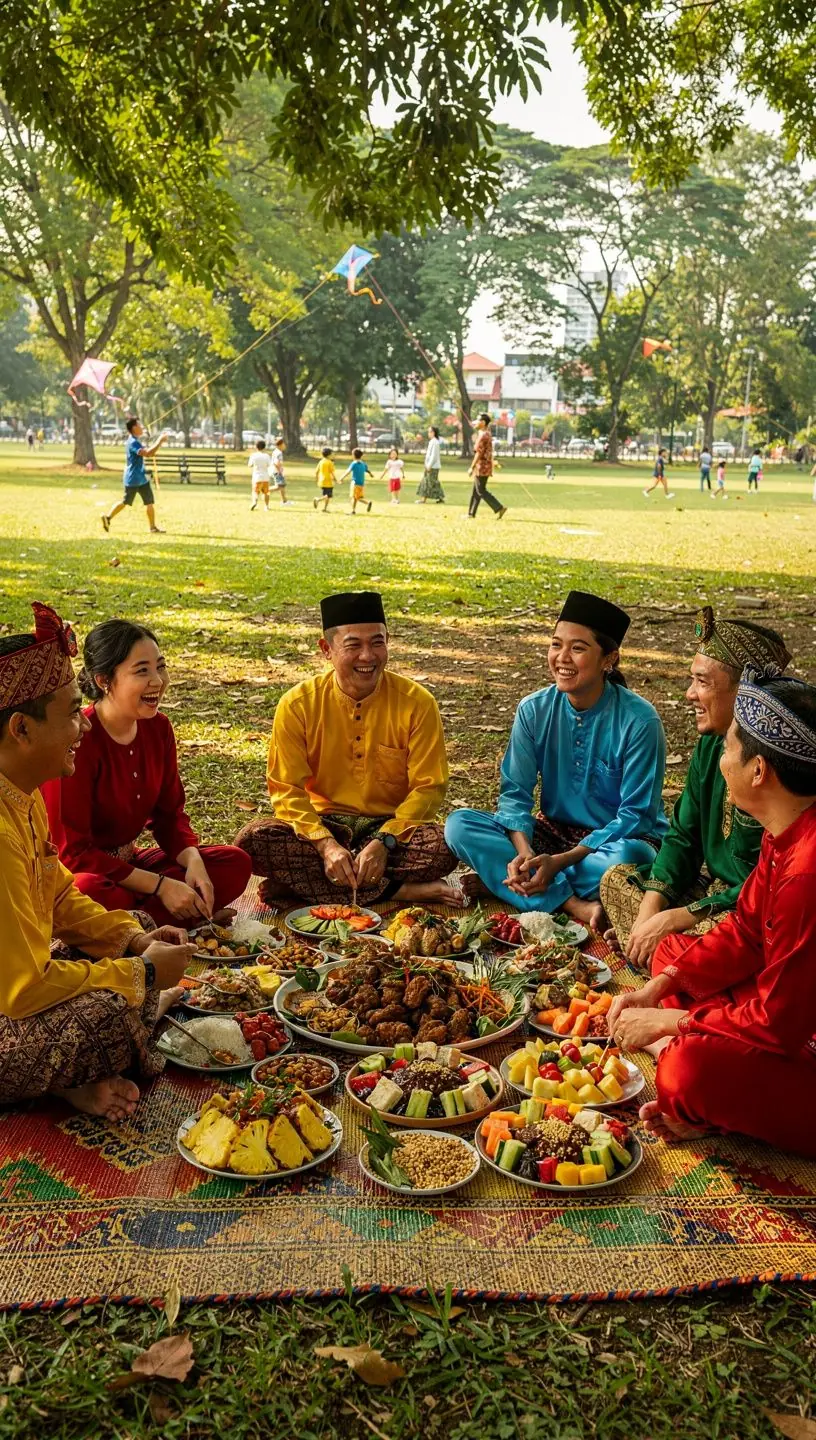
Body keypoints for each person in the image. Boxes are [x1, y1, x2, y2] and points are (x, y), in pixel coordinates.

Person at [609, 674, 816, 1159]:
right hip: (787, 1004)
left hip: (801, 1038)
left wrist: (671, 1025)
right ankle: (709, 1080)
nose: (720, 762)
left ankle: (703, 1090)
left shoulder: (806, 872)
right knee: (671, 957)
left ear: (759, 770)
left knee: (686, 1071)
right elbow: (745, 932)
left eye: (728, 748)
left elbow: (777, 1024)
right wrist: (658, 987)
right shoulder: (784, 829)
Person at [0, 602, 194, 1120]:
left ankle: (75, 1070)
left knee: (141, 925)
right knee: (107, 1017)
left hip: (19, 982)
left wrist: (131, 942)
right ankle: (66, 1080)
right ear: (21, 729)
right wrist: (140, 976)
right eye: (70, 714)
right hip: (9, 1001)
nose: (82, 728)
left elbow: (60, 893)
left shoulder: (22, 792)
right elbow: (21, 992)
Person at [445, 591, 668, 928]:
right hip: (550, 836)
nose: (562, 657)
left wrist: (561, 862)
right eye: (555, 645)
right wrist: (525, 853)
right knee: (460, 825)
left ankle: (511, 885)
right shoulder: (533, 710)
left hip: (612, 844)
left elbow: (635, 817)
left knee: (631, 859)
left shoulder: (640, 721)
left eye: (578, 648)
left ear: (609, 659)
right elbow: (515, 795)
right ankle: (575, 905)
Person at [235, 591, 460, 907]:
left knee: (444, 848)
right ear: (326, 649)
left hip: (389, 830)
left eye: (377, 642)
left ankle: (304, 889)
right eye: (354, 645)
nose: (368, 656)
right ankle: (397, 891)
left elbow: (429, 788)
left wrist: (384, 841)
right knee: (253, 842)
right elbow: (286, 791)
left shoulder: (417, 703)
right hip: (322, 825)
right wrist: (325, 844)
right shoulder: (298, 705)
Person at [600, 607, 791, 960]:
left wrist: (680, 917)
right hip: (712, 895)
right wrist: (650, 913)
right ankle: (654, 951)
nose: (689, 694)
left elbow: (775, 884)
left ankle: (664, 959)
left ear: (746, 692)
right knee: (616, 880)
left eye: (703, 682)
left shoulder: (780, 765)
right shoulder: (710, 743)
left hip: (755, 912)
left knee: (703, 943)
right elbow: (683, 837)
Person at [42, 619, 252, 927]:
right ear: (104, 680)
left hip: (131, 865)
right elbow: (72, 855)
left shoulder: (159, 728)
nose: (158, 680)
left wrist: (194, 863)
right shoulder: (78, 740)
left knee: (233, 864)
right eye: (142, 671)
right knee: (88, 891)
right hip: (89, 876)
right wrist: (161, 886)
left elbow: (170, 816)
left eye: (161, 667)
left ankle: (147, 921)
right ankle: (171, 919)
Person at [101, 418, 166, 535]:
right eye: (139, 425)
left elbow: (147, 451)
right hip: (134, 479)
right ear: (134, 428)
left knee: (149, 502)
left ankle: (153, 527)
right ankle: (108, 517)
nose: (142, 427)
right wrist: (160, 441)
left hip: (140, 478)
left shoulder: (134, 440)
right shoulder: (133, 442)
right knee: (125, 502)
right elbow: (148, 454)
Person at [467, 413, 507, 520]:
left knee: (480, 491)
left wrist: (472, 467)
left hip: (482, 467)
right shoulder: (485, 434)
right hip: (484, 466)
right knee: (476, 490)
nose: (476, 422)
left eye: (478, 420)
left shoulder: (483, 435)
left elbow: (478, 453)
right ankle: (471, 513)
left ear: (483, 423)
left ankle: (499, 507)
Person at [416, 426, 445, 503]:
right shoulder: (432, 441)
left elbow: (434, 456)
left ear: (433, 433)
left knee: (429, 482)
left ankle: (423, 499)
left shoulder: (435, 442)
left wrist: (429, 466)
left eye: (430, 432)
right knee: (432, 482)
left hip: (433, 467)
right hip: (430, 466)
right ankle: (440, 498)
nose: (428, 433)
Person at [340, 448, 373, 514]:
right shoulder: (363, 464)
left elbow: (348, 471)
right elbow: (367, 470)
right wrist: (371, 474)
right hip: (361, 483)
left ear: (354, 455)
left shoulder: (354, 463)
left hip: (355, 483)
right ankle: (353, 511)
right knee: (355, 498)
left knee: (355, 497)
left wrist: (341, 478)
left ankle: (367, 503)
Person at [248, 439, 272, 511]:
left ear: (256, 447)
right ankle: (266, 506)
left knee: (255, 491)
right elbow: (269, 465)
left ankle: (254, 502)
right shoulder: (266, 456)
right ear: (264, 447)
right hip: (265, 477)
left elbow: (250, 465)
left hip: (257, 476)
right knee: (266, 492)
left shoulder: (253, 455)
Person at [270, 436, 294, 507]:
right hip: (277, 471)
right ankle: (265, 491)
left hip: (276, 471)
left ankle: (284, 501)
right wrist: (280, 471)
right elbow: (276, 462)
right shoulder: (279, 453)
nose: (285, 446)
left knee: (282, 486)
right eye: (284, 444)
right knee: (279, 486)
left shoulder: (276, 451)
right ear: (281, 444)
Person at [313, 446, 336, 512]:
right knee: (328, 496)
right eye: (332, 454)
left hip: (322, 481)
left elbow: (316, 472)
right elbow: (332, 473)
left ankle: (325, 509)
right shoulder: (330, 462)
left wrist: (317, 480)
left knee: (326, 495)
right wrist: (336, 480)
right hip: (328, 481)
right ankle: (317, 500)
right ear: (329, 455)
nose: (333, 455)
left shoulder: (321, 461)